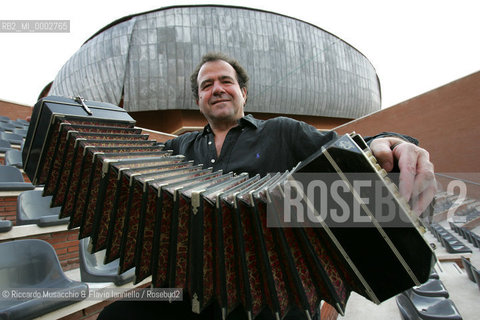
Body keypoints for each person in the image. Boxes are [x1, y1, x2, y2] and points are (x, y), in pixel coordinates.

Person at [98, 52, 436, 320]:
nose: (216, 88)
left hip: (275, 294)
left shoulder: (283, 132)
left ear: (243, 92)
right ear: (198, 100)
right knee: (115, 314)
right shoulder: (177, 149)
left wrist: (394, 144)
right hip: (192, 289)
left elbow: (348, 152)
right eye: (206, 85)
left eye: (225, 81)